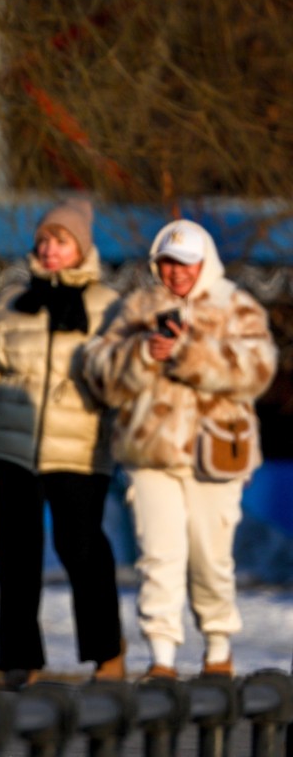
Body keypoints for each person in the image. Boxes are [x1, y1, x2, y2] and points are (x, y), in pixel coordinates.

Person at [83, 219, 276, 680]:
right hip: (149, 453)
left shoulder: (237, 305)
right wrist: (143, 354)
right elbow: (99, 372)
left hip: (217, 453)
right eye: (167, 262)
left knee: (212, 557)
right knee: (158, 558)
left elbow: (258, 370)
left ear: (205, 262)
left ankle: (217, 651)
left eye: (186, 262)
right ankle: (162, 660)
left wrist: (188, 351)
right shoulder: (138, 306)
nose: (176, 272)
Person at [0, 199, 125, 690]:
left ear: (81, 248)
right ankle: (19, 662)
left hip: (82, 449)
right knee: (17, 556)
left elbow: (126, 378)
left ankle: (107, 655)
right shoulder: (9, 302)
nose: (50, 248)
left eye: (62, 240)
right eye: (45, 239)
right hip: (11, 448)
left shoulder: (110, 306)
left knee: (82, 549)